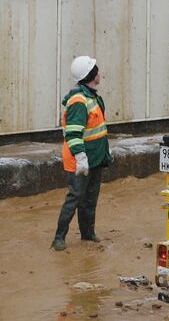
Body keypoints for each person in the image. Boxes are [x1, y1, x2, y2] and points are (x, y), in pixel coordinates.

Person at [52, 55, 111, 251]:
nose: (100, 73)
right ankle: (59, 238)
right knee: (75, 196)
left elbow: (98, 130)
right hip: (80, 159)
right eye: (97, 70)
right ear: (92, 75)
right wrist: (80, 157)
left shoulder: (91, 96)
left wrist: (104, 154)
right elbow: (73, 133)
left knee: (90, 198)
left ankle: (87, 233)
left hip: (94, 158)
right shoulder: (79, 101)